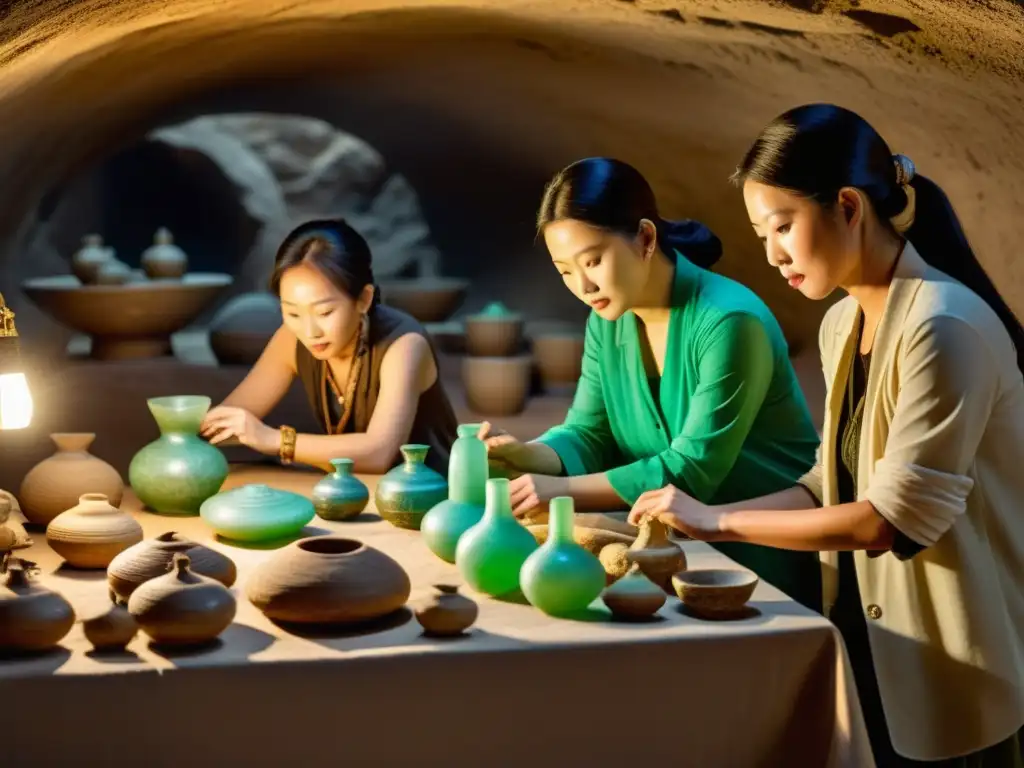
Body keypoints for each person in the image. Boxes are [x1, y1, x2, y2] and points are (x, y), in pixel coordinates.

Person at [628, 104, 1024, 766]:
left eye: (782, 225)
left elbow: (887, 521)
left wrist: (719, 521)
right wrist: (697, 522)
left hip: (962, 668)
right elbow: (827, 486)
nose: (772, 253)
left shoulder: (943, 326)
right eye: (760, 234)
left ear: (846, 206)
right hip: (875, 644)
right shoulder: (843, 323)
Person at [479, 156, 824, 611]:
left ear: (644, 238)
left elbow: (691, 470)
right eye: (565, 271)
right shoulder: (608, 321)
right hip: (671, 553)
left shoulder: (728, 321)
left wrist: (557, 490)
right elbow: (589, 431)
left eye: (593, 260)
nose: (582, 284)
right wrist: (529, 455)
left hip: (758, 564)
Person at [200, 218, 458, 475]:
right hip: (355, 490)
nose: (310, 332)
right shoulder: (293, 337)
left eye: (324, 312)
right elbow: (230, 418)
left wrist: (273, 440)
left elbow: (380, 452)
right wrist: (184, 426)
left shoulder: (404, 346)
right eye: (293, 313)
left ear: (363, 299)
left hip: (433, 498)